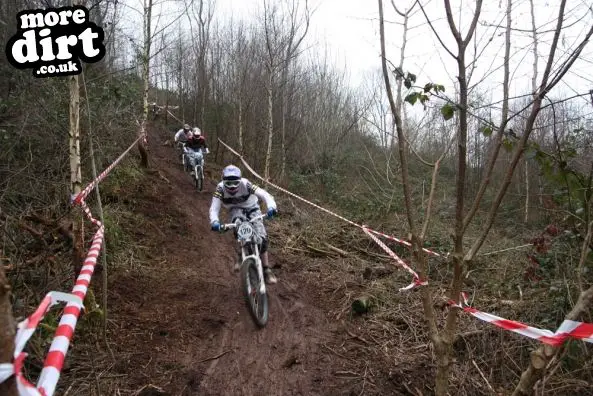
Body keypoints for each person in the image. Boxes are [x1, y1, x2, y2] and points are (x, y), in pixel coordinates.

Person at [209, 165, 278, 284]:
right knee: (237, 224)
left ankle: (266, 269)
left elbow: (264, 194)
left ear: (240, 180)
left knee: (262, 236)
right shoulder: (220, 189)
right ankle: (241, 254)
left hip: (252, 207)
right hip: (235, 209)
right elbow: (214, 208)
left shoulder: (246, 184)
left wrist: (271, 207)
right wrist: (214, 221)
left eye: (235, 183)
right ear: (223, 181)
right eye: (228, 183)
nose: (232, 186)